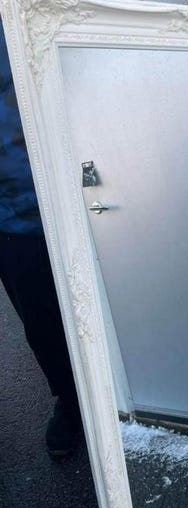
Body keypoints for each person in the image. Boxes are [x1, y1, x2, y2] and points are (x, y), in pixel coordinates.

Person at [0, 19, 81, 456]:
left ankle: (134, 402)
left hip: (78, 195)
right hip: (11, 219)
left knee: (114, 309)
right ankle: (72, 402)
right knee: (43, 325)